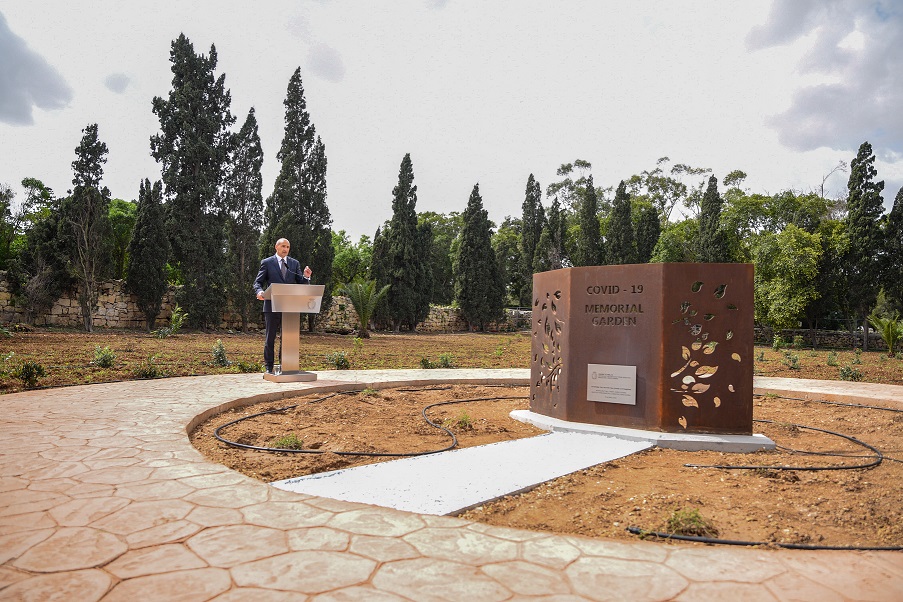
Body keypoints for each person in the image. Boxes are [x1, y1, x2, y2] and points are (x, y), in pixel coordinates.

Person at [254, 238, 312, 374]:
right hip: (271, 305)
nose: (285, 249)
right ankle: (269, 367)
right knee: (270, 337)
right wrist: (259, 292)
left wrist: (306, 277)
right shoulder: (267, 263)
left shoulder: (294, 263)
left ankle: (284, 365)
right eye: (283, 246)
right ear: (276, 247)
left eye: (288, 247)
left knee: (287, 338)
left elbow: (301, 284)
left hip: (290, 307)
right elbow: (258, 282)